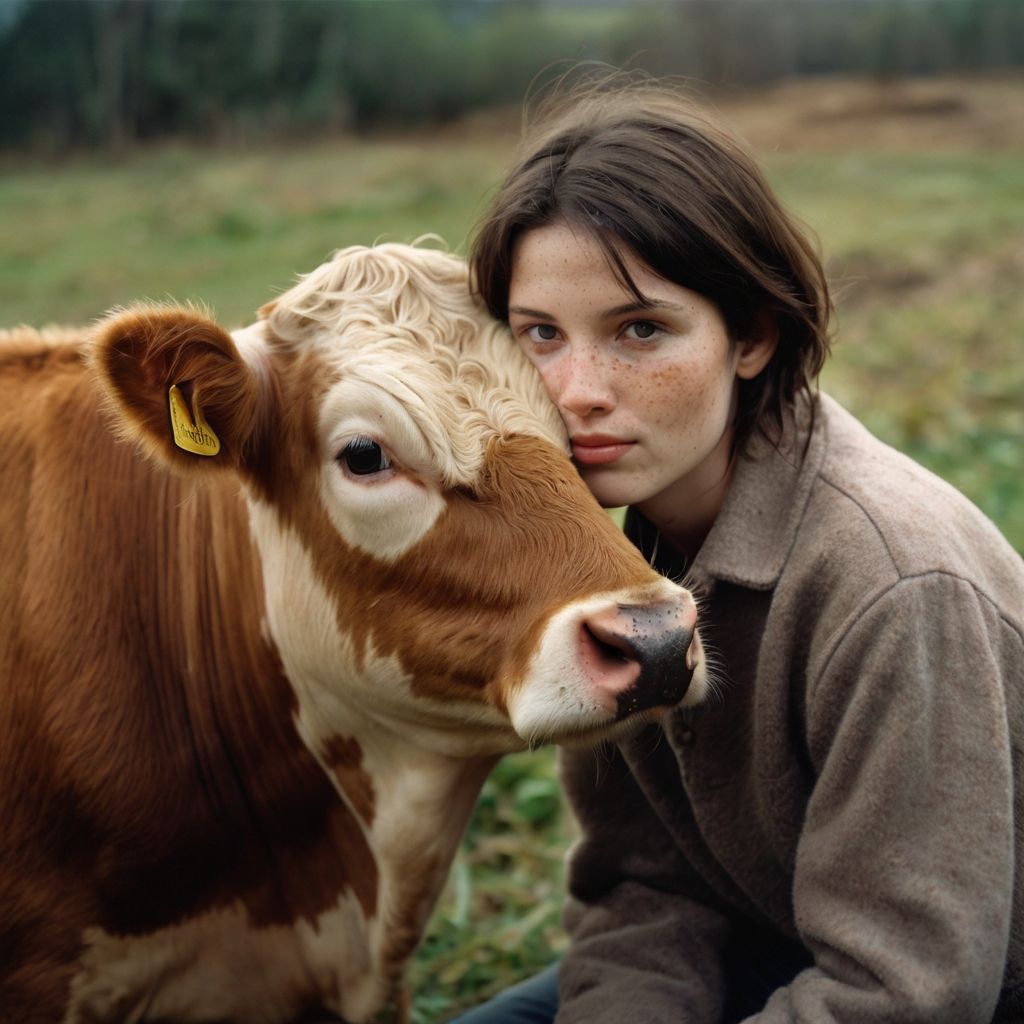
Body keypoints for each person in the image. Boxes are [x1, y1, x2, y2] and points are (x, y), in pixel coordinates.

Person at [454, 73, 1024, 1023]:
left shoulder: (894, 584)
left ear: (751, 337)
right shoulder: (610, 549)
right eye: (540, 334)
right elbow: (644, 894)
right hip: (763, 941)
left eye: (641, 330)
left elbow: (907, 993)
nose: (576, 389)